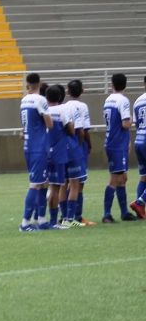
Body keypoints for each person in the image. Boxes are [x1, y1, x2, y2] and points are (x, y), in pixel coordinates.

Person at [19, 73, 53, 231]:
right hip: (38, 147)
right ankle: (25, 223)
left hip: (29, 145)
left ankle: (41, 219)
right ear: (39, 84)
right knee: (35, 184)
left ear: (28, 84)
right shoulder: (40, 100)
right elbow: (49, 123)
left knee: (43, 182)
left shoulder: (24, 100)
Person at [101, 73, 137, 222]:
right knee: (115, 179)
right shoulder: (123, 100)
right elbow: (125, 123)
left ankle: (124, 213)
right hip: (116, 144)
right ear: (125, 85)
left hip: (114, 142)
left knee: (123, 177)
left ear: (112, 85)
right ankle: (106, 214)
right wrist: (134, 122)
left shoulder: (108, 100)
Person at [65, 79, 95, 226]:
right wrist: (88, 144)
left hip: (65, 147)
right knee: (79, 182)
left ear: (67, 91)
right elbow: (83, 129)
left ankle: (65, 215)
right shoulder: (82, 106)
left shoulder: (64, 106)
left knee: (67, 182)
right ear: (82, 91)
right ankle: (77, 216)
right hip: (78, 146)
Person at [44, 85, 72, 229]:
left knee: (43, 187)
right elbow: (71, 130)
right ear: (60, 97)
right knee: (56, 188)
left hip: (44, 153)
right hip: (59, 154)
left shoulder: (44, 111)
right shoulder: (62, 110)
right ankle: (53, 221)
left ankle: (41, 218)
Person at [129, 76, 146, 218]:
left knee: (144, 176)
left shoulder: (138, 100)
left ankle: (141, 211)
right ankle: (140, 202)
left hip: (139, 139)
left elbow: (136, 124)